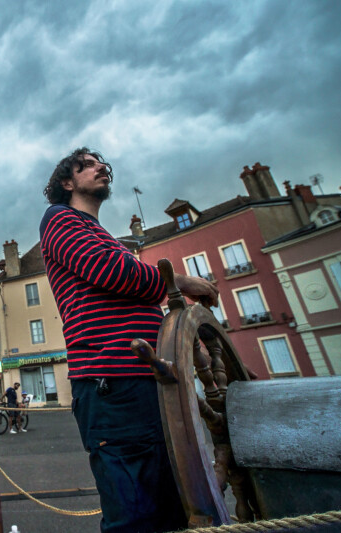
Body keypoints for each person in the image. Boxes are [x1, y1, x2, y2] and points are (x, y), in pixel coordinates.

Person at [40, 148, 218, 533]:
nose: (101, 167)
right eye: (87, 165)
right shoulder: (59, 218)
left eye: (101, 163)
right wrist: (180, 282)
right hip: (113, 384)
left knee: (170, 510)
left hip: (145, 379)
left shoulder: (104, 236)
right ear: (67, 182)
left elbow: (130, 279)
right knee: (135, 517)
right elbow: (116, 273)